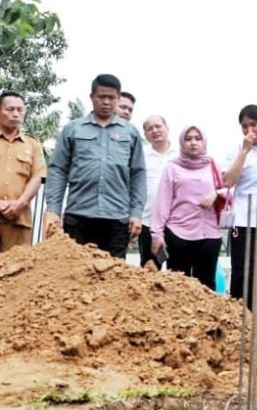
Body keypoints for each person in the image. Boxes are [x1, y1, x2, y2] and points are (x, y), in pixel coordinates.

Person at [45, 74, 146, 258]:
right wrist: (53, 210)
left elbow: (138, 174)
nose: (106, 102)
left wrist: (136, 213)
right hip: (78, 216)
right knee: (75, 276)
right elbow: (58, 170)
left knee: (114, 277)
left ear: (117, 99)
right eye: (101, 97)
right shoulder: (73, 129)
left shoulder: (130, 133)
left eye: (111, 98)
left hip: (117, 218)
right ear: (92, 97)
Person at [150, 126, 222, 290]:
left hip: (208, 234)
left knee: (206, 287)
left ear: (204, 141)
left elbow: (229, 190)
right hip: (178, 234)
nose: (193, 143)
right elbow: (162, 202)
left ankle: (204, 317)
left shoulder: (212, 164)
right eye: (188, 139)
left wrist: (216, 193)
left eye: (198, 138)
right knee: (177, 287)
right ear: (182, 142)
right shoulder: (172, 167)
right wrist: (157, 234)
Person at [222, 105, 257, 318]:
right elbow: (228, 181)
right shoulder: (236, 150)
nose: (250, 130)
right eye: (245, 126)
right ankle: (241, 320)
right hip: (244, 221)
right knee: (243, 273)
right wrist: (244, 151)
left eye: (253, 125)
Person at [0, 91, 45, 252]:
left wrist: (21, 203)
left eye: (20, 110)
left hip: (19, 219)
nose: (15, 114)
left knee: (17, 271)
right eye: (10, 109)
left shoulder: (33, 145)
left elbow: (38, 176)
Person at [139, 115, 177, 268]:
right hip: (148, 221)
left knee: (178, 272)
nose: (155, 131)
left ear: (167, 128)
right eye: (150, 128)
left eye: (158, 126)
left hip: (177, 223)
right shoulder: (140, 157)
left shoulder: (180, 155)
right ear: (146, 134)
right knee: (150, 270)